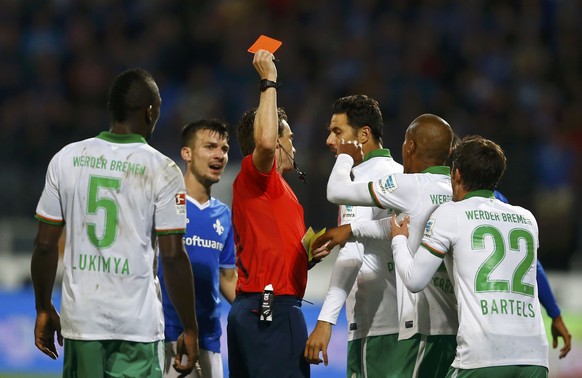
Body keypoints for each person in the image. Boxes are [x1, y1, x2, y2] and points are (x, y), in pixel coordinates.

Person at [31, 68, 199, 377]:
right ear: (151, 112)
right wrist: (190, 326)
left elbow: (44, 245)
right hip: (136, 327)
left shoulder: (67, 158)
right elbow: (173, 256)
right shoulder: (163, 169)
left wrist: (43, 307)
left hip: (82, 324)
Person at [390, 135, 549, 376]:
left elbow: (414, 280)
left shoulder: (451, 213)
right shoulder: (527, 218)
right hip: (535, 357)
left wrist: (398, 240)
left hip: (483, 355)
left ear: (456, 174)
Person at [313, 114, 458, 377]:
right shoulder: (458, 192)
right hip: (454, 326)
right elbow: (405, 223)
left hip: (405, 324)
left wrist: (345, 156)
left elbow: (336, 191)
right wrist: (352, 229)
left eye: (337, 131)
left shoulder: (404, 183)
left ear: (410, 146)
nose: (330, 140)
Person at [227, 49, 326, 378]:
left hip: (258, 307)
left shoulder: (277, 192)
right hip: (270, 308)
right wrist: (269, 80)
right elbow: (266, 144)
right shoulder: (257, 176)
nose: (293, 146)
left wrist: (305, 257)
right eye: (290, 137)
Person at [303, 94, 404, 377]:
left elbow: (352, 251)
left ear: (363, 134)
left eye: (337, 132)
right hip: (402, 319)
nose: (329, 141)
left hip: (376, 323)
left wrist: (325, 321)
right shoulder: (402, 174)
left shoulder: (358, 181)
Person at [158, 119, 237, 378]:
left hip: (210, 339)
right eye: (210, 146)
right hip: (166, 336)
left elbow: (227, 279)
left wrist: (258, 310)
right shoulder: (164, 203)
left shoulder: (223, 215)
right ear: (187, 153)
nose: (219, 155)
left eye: (224, 149)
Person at [493, 191, 571, 359]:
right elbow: (532, 264)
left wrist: (555, 313)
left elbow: (532, 263)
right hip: (522, 342)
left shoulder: (453, 203)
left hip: (470, 330)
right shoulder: (505, 204)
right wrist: (555, 314)